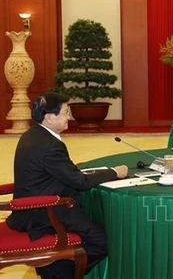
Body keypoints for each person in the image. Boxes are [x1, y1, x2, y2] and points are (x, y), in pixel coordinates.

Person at [6, 92, 128, 279]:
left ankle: (54, 270)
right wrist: (114, 173)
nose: (69, 117)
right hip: (44, 212)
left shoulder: (32, 135)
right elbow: (80, 182)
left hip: (33, 207)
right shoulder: (50, 145)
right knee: (104, 239)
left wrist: (73, 170)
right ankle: (64, 274)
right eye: (64, 112)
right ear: (49, 117)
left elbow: (57, 172)